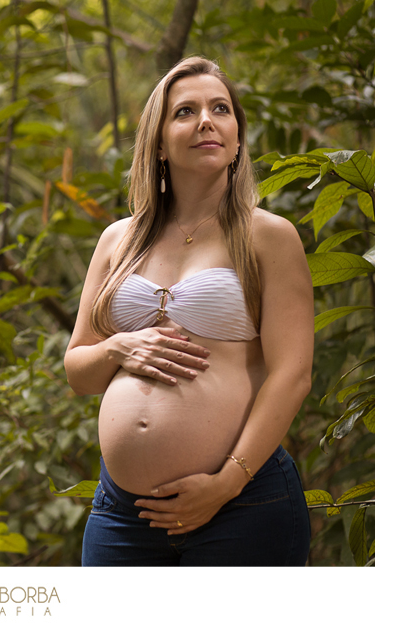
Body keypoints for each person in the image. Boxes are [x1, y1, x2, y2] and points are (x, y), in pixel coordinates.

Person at [65, 56, 313, 566]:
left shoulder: (268, 236)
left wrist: (226, 483)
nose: (206, 120)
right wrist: (117, 346)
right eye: (185, 111)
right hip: (121, 514)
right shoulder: (119, 239)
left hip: (241, 504)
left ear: (237, 138)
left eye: (220, 109)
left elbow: (293, 375)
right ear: (158, 142)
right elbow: (79, 372)